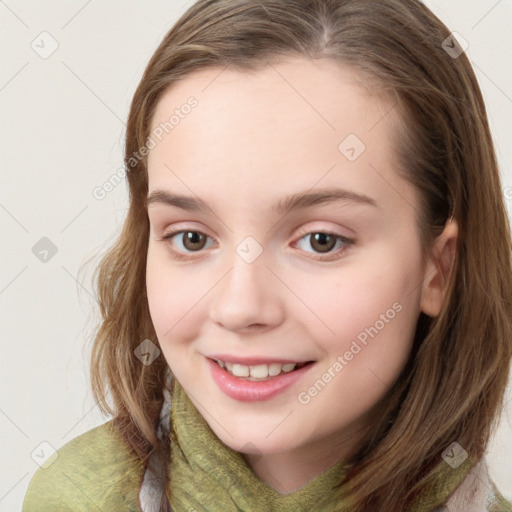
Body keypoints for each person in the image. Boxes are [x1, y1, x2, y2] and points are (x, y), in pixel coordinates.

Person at [23, 0, 512, 510]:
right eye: (192, 238)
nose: (239, 307)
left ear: (440, 268)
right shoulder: (76, 498)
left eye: (321, 241)